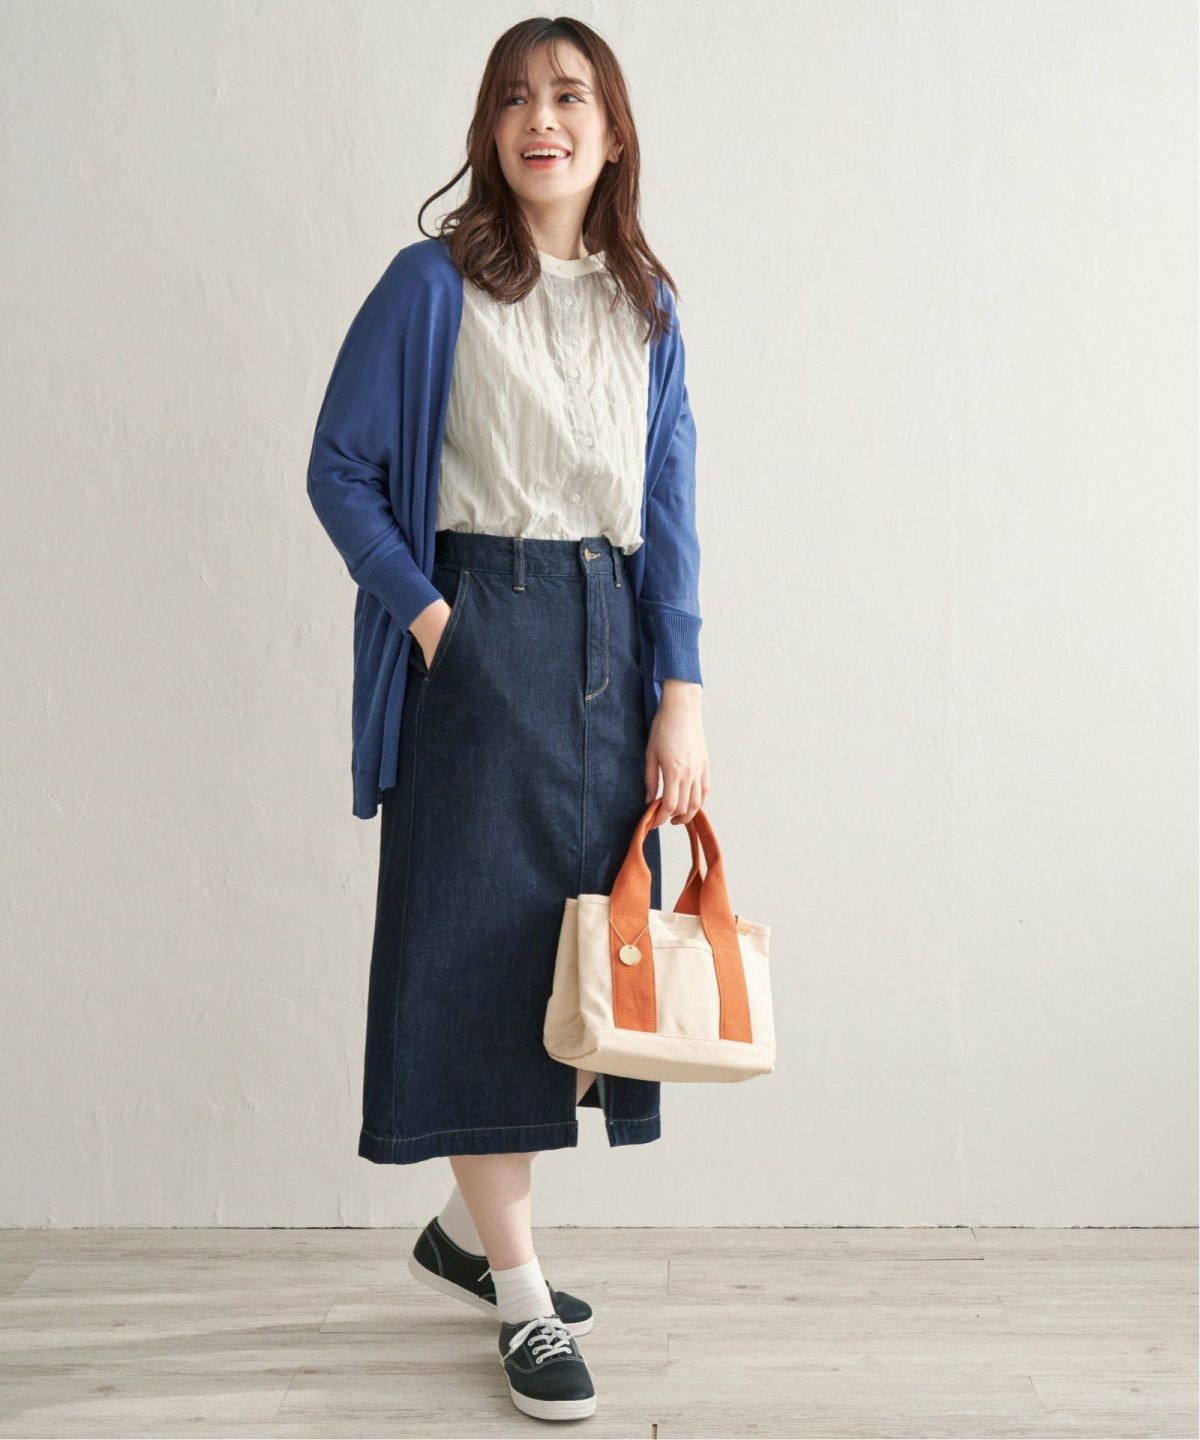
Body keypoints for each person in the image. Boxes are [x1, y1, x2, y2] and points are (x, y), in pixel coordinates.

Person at [306, 16, 707, 1422]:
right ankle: (525, 1301)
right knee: (482, 966)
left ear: (613, 129)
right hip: (481, 630)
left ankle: (464, 1238)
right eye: (516, 98)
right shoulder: (431, 287)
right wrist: (436, 625)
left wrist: (682, 691)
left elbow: (671, 509)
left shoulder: (648, 303)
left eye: (571, 95)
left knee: (582, 967)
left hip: (612, 638)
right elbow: (340, 470)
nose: (544, 118)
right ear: (489, 130)